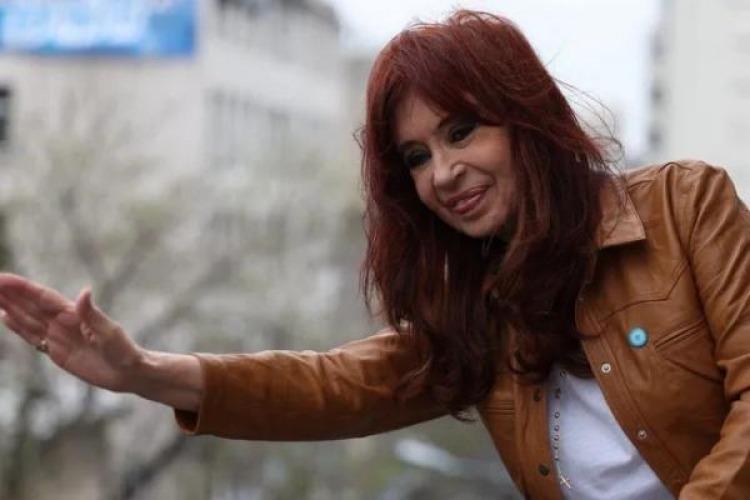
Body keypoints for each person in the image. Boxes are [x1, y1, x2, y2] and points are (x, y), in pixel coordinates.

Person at [0, 9, 748, 499]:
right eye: (417, 157)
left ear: (526, 118)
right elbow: (335, 385)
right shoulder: (479, 309)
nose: (442, 173)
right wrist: (142, 372)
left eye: (462, 131)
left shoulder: (685, 207)